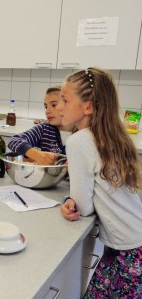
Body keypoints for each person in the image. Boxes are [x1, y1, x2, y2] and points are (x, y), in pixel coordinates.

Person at [58, 67, 142, 298]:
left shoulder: (79, 141)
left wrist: (70, 201)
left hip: (127, 252)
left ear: (88, 107)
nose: (59, 105)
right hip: (135, 241)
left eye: (65, 99)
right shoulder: (112, 135)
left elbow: (83, 207)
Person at [7, 86, 74, 165]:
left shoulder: (82, 131)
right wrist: (36, 155)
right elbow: (14, 141)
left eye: (54, 105)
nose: (47, 111)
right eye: (46, 107)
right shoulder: (44, 129)